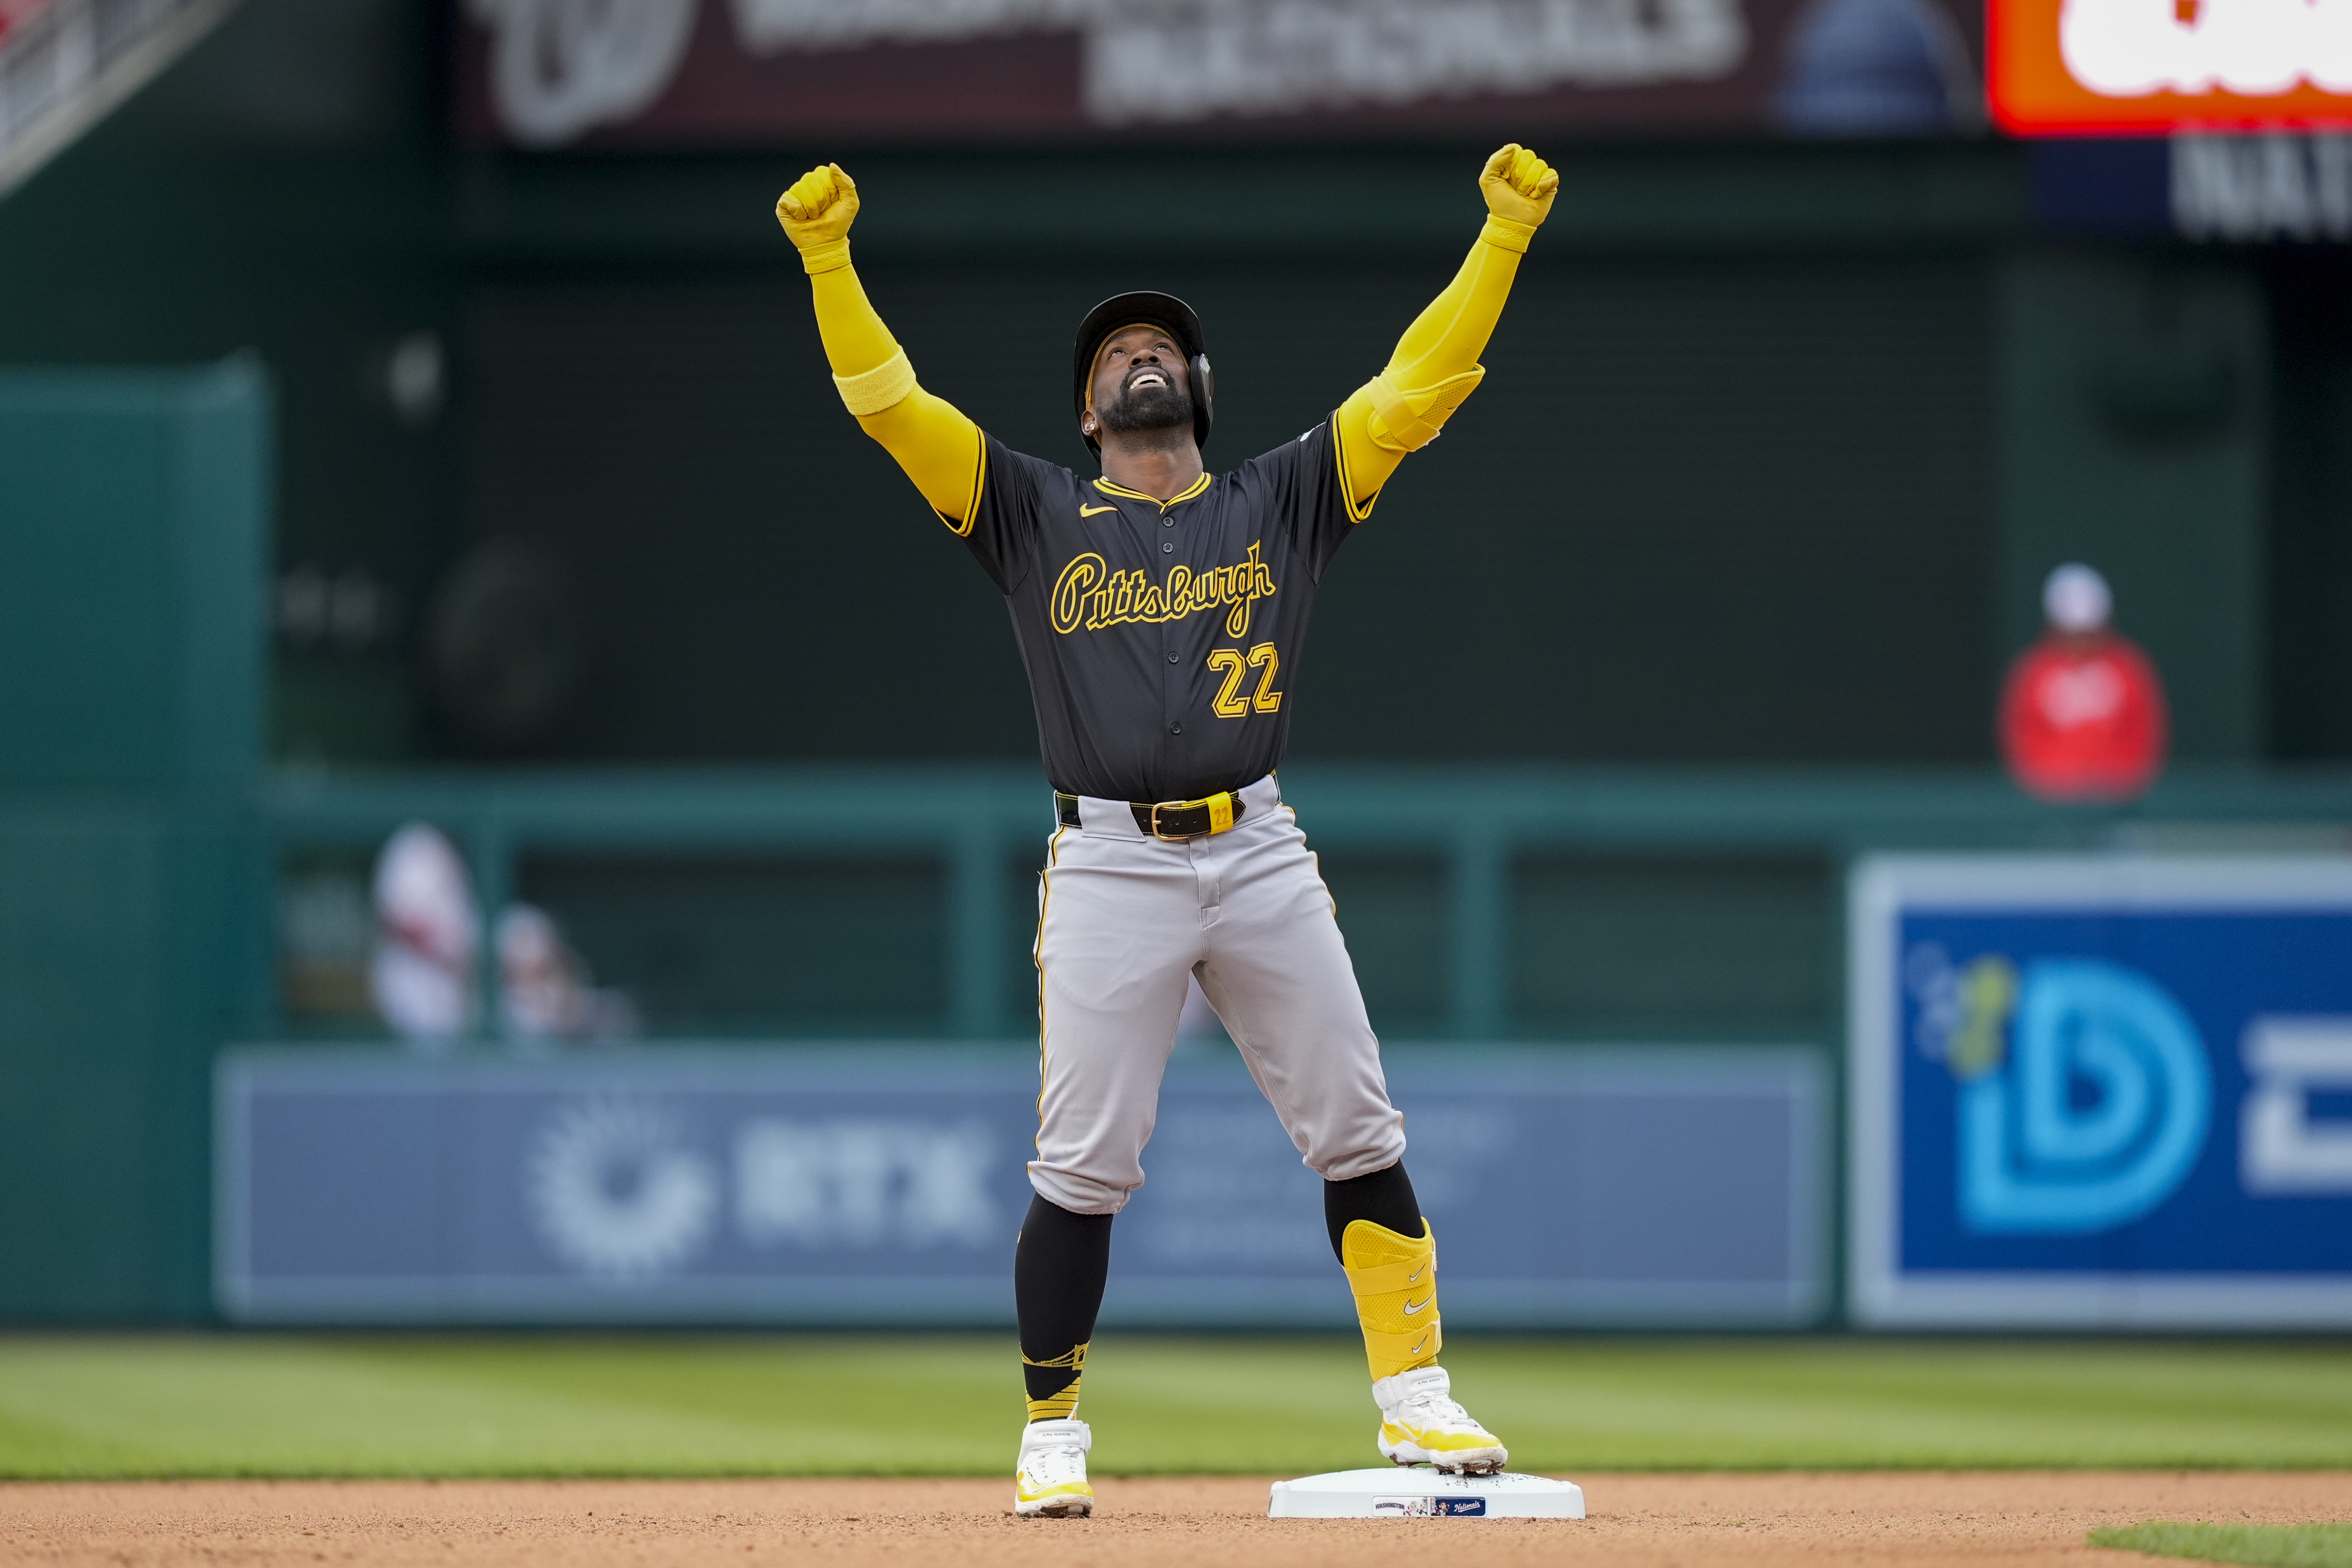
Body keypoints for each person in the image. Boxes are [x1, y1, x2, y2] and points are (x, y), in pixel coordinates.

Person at [774, 143, 1558, 1518]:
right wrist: (830, 264)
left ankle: (1415, 1399)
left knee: (1358, 1125)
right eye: (1113, 354)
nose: (1139, 357)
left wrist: (1498, 240)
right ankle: (1053, 1427)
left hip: (1256, 847)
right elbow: (888, 407)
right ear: (1086, 411)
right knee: (1083, 1162)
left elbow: (1417, 387)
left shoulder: (1279, 497)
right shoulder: (1028, 509)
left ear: (1196, 390)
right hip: (1110, 859)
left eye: (1160, 348)